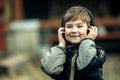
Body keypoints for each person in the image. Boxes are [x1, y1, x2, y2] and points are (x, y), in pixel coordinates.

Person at [40, 6, 106, 80]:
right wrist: (61, 44)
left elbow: (85, 65)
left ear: (89, 29)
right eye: (69, 26)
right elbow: (50, 69)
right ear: (63, 30)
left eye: (79, 26)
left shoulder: (98, 52)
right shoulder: (61, 53)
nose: (74, 30)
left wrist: (88, 39)